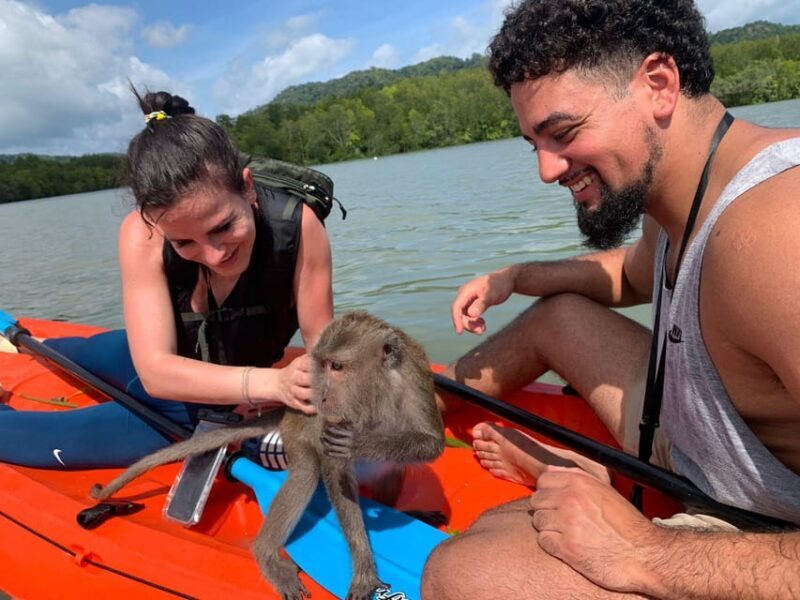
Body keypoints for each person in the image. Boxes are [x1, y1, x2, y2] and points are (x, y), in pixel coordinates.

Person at [422, 0, 800, 597]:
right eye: (534, 144)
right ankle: (416, 419)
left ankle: (612, 485)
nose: (547, 170)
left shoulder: (780, 237)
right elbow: (631, 273)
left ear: (658, 84)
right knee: (561, 316)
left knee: (464, 571)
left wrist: (645, 550)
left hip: (762, 529)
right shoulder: (687, 190)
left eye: (563, 133)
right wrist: (518, 276)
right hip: (709, 451)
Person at [0, 89, 333, 468]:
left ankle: (38, 346)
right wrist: (272, 384)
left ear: (248, 187)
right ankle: (32, 344)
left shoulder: (299, 224)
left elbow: (324, 345)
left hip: (208, 388)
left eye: (223, 226)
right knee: (62, 372)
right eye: (184, 242)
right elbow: (156, 372)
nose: (214, 255)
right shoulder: (141, 233)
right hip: (170, 380)